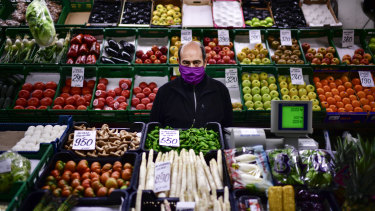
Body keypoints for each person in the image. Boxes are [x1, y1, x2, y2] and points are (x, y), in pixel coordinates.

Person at [150, 41, 233, 128]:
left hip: (211, 141)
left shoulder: (220, 90)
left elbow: (228, 128)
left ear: (205, 63)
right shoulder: (165, 92)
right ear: (178, 62)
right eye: (186, 63)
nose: (191, 67)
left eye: (196, 62)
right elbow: (154, 128)